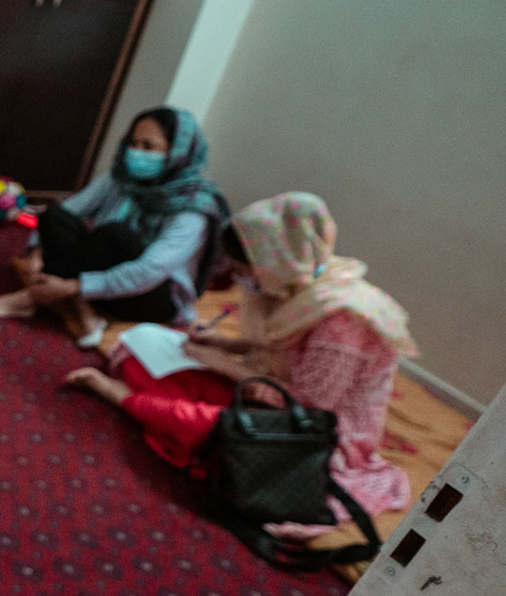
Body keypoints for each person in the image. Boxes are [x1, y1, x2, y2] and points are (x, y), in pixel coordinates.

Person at [66, 192, 417, 533]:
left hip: (317, 434)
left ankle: (119, 395)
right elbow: (279, 348)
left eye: (243, 269)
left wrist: (222, 363)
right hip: (270, 389)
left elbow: (310, 408)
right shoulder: (302, 282)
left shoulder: (340, 320)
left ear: (275, 261)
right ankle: (144, 397)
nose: (239, 280)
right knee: (148, 356)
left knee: (206, 421)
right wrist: (221, 343)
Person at [0, 108, 229, 348]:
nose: (136, 152)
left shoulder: (193, 210)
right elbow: (71, 210)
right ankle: (84, 310)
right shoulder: (120, 177)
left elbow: (148, 271)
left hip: (149, 297)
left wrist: (73, 286)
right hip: (102, 273)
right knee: (54, 215)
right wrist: (37, 253)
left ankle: (31, 297)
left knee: (115, 235)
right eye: (133, 143)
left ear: (178, 153)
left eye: (148, 147)